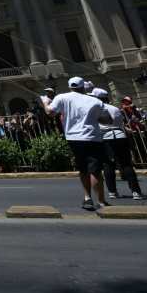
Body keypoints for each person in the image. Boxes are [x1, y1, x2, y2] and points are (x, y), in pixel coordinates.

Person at [49, 76, 110, 211]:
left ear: (70, 86)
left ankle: (87, 198)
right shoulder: (95, 101)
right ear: (83, 87)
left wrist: (44, 102)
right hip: (93, 137)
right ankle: (101, 201)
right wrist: (94, 118)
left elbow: (50, 112)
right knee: (95, 171)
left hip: (74, 138)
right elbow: (108, 120)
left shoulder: (62, 97)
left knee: (83, 169)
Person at [91, 89, 144, 200]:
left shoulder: (94, 110)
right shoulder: (114, 108)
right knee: (126, 164)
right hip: (120, 136)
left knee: (108, 165)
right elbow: (120, 123)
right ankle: (136, 192)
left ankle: (112, 191)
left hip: (105, 138)